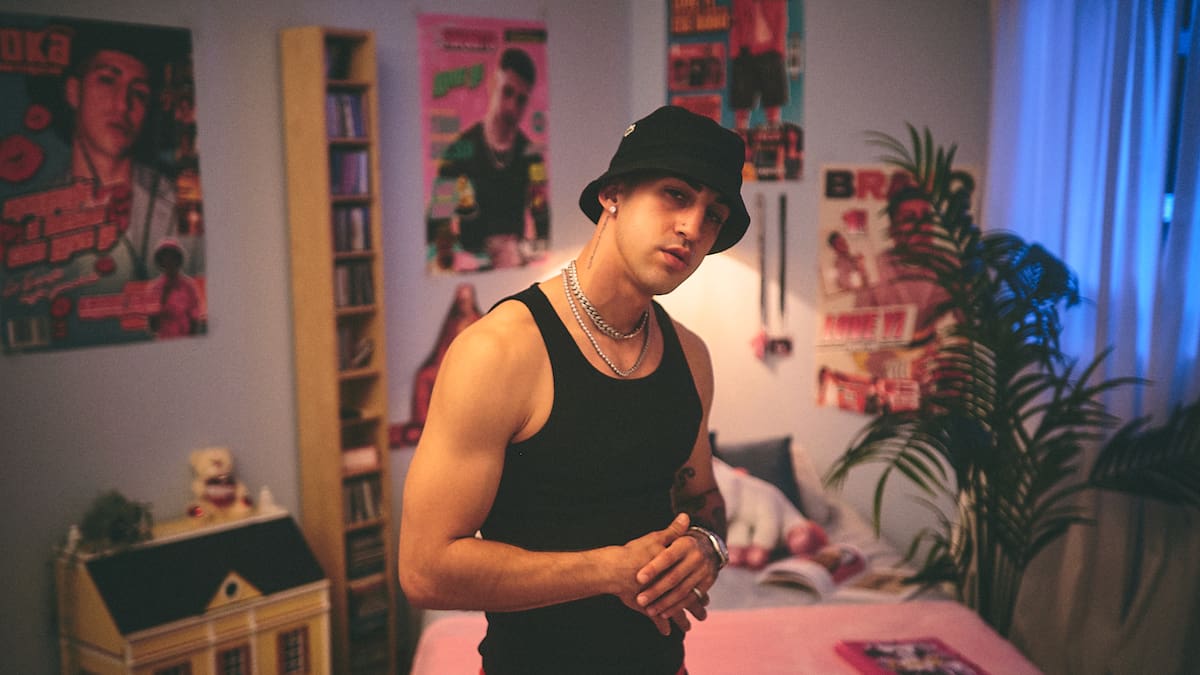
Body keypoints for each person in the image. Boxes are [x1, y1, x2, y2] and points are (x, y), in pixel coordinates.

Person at [399, 106, 750, 674]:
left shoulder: (691, 357)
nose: (693, 227)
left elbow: (701, 496)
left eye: (714, 214)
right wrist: (608, 571)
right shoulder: (500, 351)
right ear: (613, 194)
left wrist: (707, 548)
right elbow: (424, 571)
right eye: (675, 195)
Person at [427, 47, 547, 271]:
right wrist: (457, 256)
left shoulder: (531, 157)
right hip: (472, 270)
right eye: (507, 92)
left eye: (521, 100)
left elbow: (542, 219)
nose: (512, 107)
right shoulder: (459, 151)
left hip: (515, 269)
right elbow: (437, 222)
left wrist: (524, 251)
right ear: (493, 84)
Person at [147, 238, 205, 338]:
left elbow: (195, 317)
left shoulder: (189, 285)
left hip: (186, 336)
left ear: (178, 260)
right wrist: (161, 300)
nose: (169, 262)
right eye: (165, 258)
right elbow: (153, 327)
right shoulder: (155, 287)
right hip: (165, 338)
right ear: (161, 262)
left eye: (173, 258)